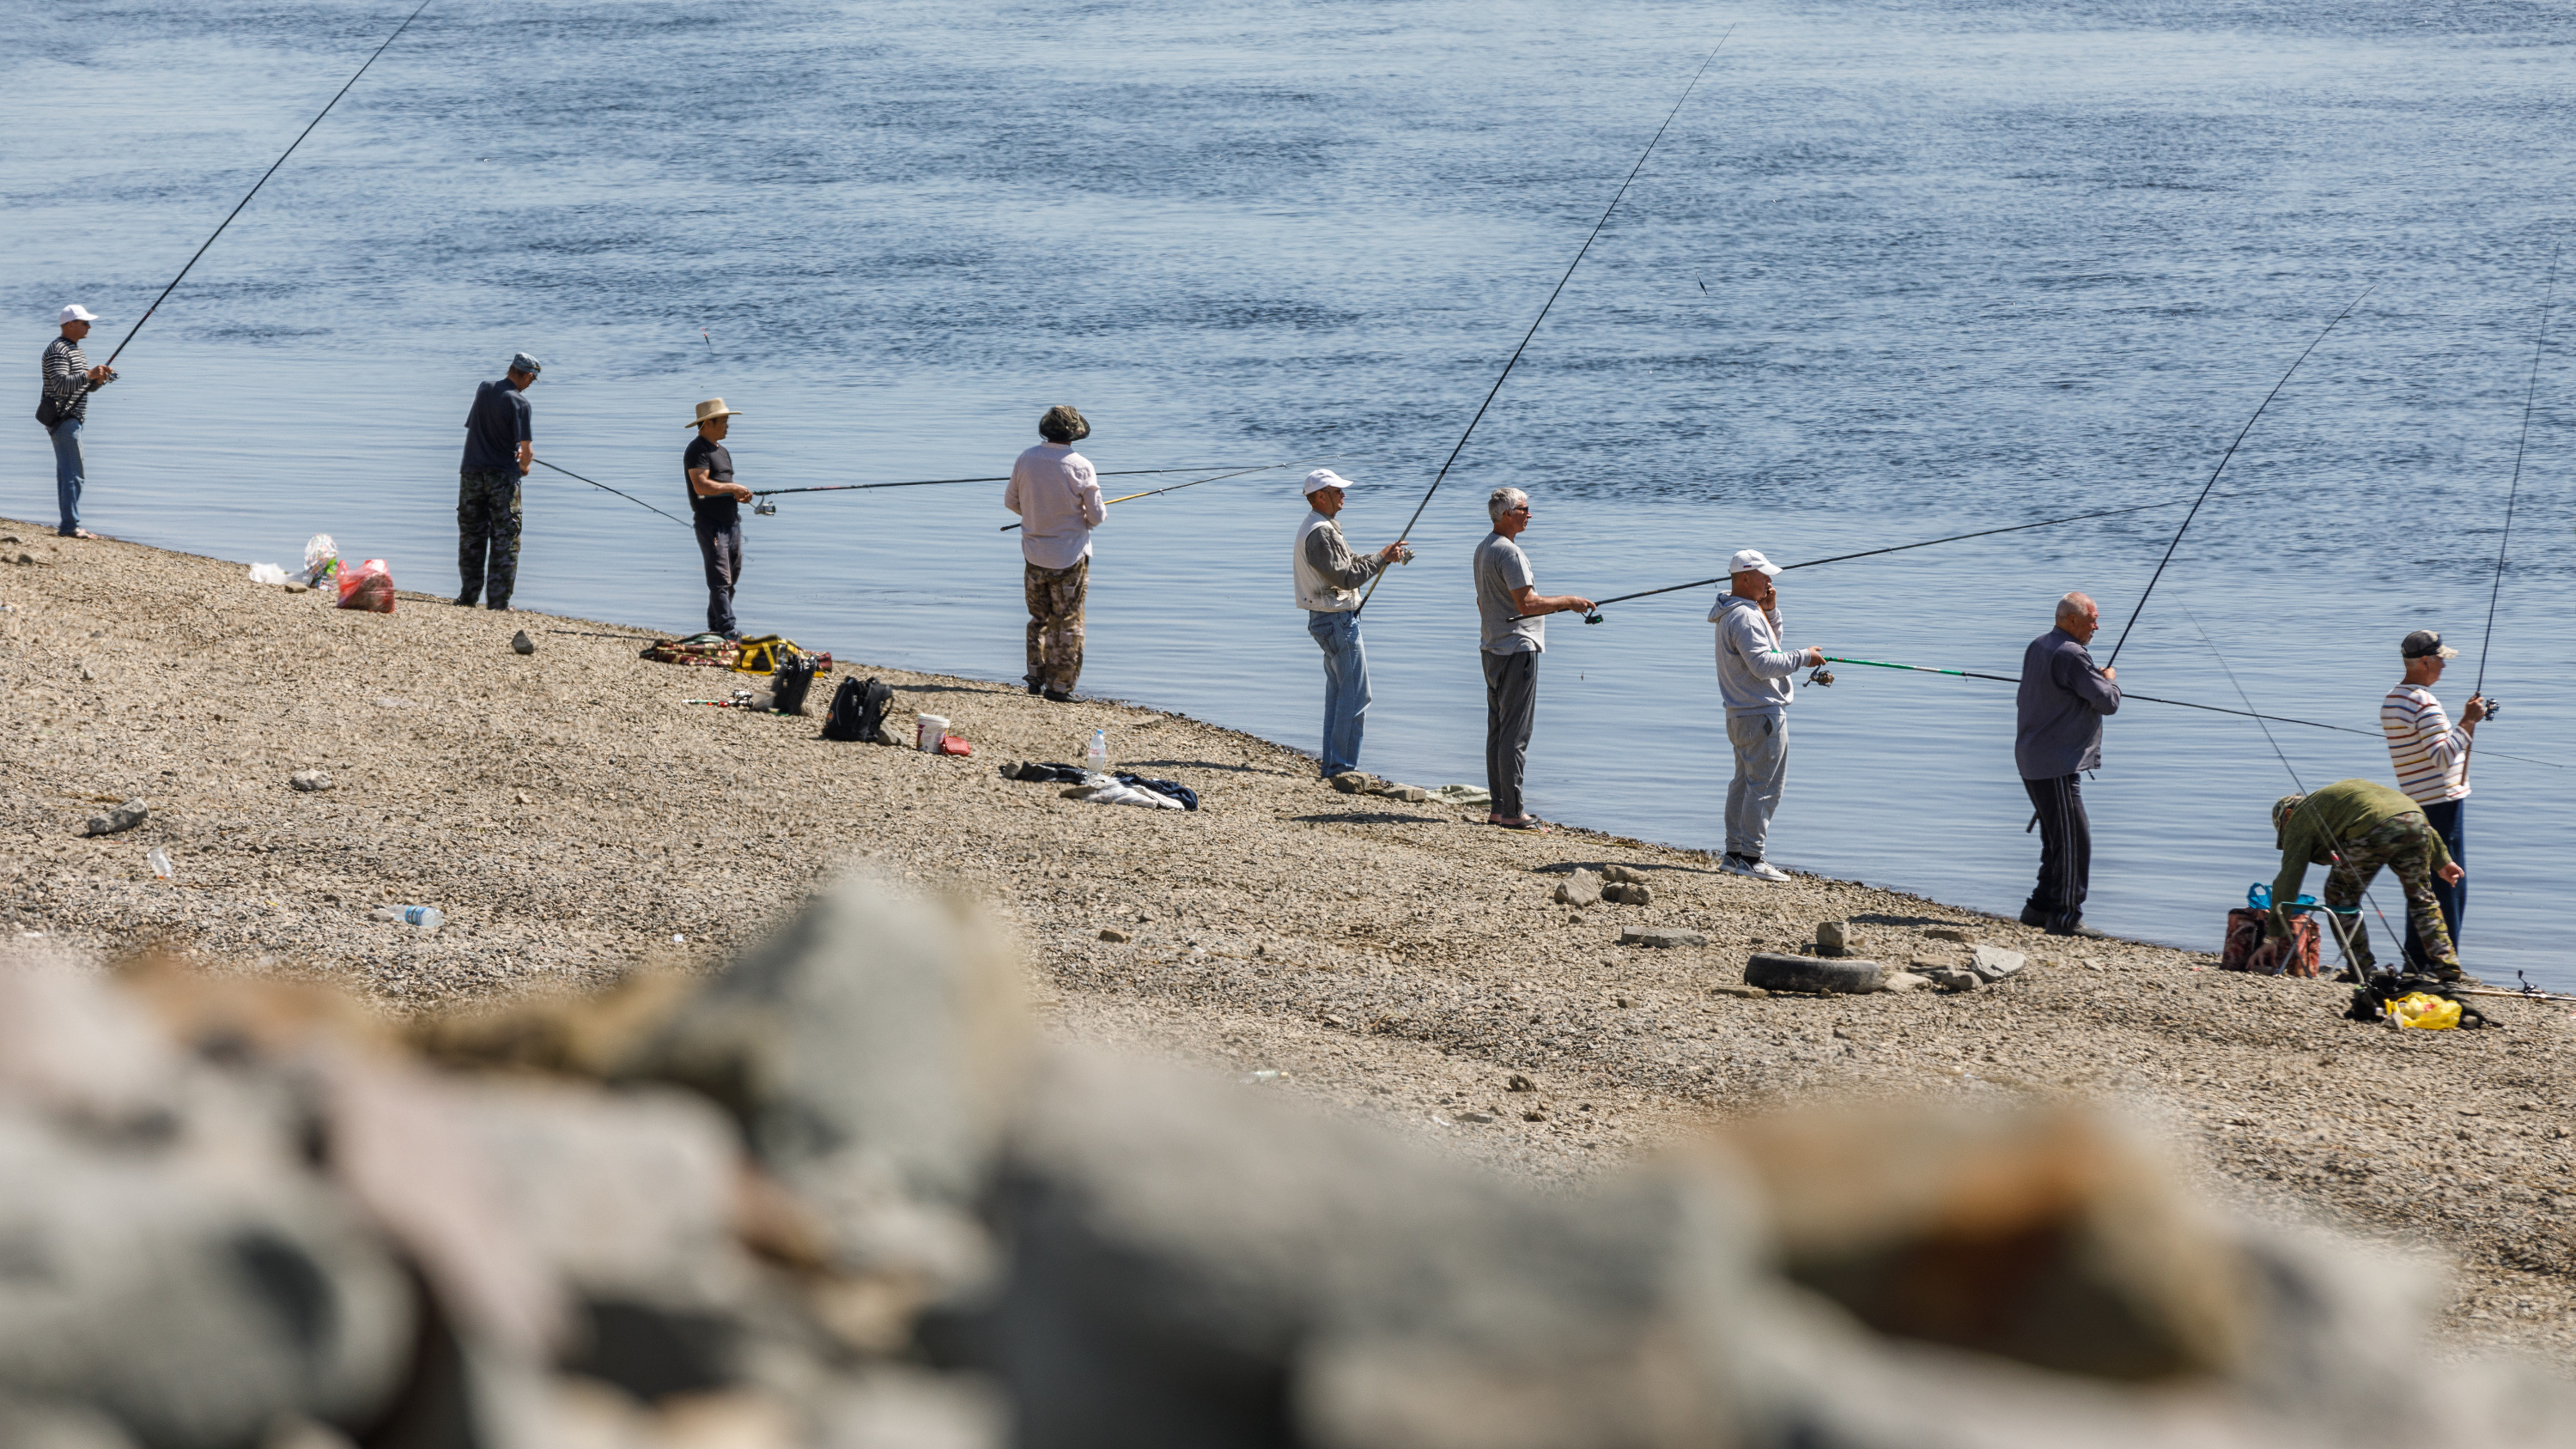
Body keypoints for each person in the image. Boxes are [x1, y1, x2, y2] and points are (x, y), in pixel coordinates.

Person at [1473, 487, 1591, 830]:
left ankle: (1499, 807)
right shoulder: (1509, 553)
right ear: (1507, 514)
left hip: (1492, 648)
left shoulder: (1484, 549)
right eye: (1524, 509)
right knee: (1515, 733)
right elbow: (1528, 604)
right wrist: (1570, 601)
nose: (1529, 514)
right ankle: (1512, 812)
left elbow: (1482, 602)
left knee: (1498, 730)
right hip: (1516, 650)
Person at [2267, 780, 2464, 980]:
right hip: (2417, 821)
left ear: (2288, 816)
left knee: (2339, 895)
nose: (2288, 838)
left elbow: (2289, 877)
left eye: (2284, 832)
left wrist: (2273, 935)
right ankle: (2448, 968)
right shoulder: (2338, 800)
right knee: (2422, 899)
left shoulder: (2299, 816)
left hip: (2374, 826)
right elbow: (2408, 816)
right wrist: (2443, 861)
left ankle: (2362, 969)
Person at [1709, 549, 1826, 881]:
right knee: (1764, 787)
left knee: (1743, 784)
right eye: (1764, 576)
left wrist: (1770, 613)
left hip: (1740, 713)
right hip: (1760, 713)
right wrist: (1805, 656)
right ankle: (1753, 858)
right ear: (1745, 578)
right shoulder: (1744, 616)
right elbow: (1763, 666)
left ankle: (1734, 855)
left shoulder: (1737, 611)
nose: (1770, 582)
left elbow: (1769, 649)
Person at [2015, 591, 2121, 936]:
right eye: (2093, 619)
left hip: (2032, 756)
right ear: (2071, 620)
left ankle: (2039, 906)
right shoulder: (2073, 654)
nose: (2097, 626)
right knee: (2075, 838)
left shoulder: (2039, 645)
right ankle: (2065, 916)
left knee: (2055, 835)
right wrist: (2109, 680)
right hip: (2055, 762)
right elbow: (2107, 702)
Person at [2381, 628, 2485, 972]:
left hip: (2414, 802)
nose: (2444, 666)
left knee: (2423, 884)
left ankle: (2417, 961)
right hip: (2442, 804)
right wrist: (2468, 722)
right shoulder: (2423, 701)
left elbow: (2429, 751)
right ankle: (2446, 964)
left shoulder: (2393, 698)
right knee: (2451, 883)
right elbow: (2442, 757)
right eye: (2440, 659)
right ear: (2424, 661)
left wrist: (2461, 726)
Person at [1293, 469, 1409, 779]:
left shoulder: (1322, 527)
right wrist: (1381, 560)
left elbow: (1348, 563)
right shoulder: (1319, 531)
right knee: (1357, 695)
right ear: (1321, 496)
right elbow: (1345, 577)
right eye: (1338, 491)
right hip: (1335, 622)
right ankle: (1342, 767)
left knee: (1340, 694)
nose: (1344, 495)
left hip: (1329, 621)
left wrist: (1383, 555)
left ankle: (1333, 765)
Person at [1003, 405, 1103, 701]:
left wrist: (1035, 516)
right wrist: (1083, 519)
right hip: (1070, 556)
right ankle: (1060, 687)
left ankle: (1035, 678)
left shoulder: (1026, 458)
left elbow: (1011, 501)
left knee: (1039, 618)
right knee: (1068, 620)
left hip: (1033, 553)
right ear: (1074, 435)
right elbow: (1096, 516)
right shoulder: (1081, 465)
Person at [456, 352, 540, 609]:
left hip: (471, 473)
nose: (530, 385)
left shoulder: (484, 389)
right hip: (502, 478)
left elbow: (480, 428)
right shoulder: (521, 404)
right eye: (532, 380)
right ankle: (498, 603)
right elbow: (527, 452)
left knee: (472, 535)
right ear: (527, 375)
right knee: (505, 538)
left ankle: (468, 597)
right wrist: (524, 466)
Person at [39, 305, 115, 540]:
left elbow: (81, 386)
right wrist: (89, 375)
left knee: (68, 473)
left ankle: (68, 524)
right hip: (64, 418)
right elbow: (61, 384)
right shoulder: (58, 350)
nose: (89, 326)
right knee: (74, 474)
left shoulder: (75, 350)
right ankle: (70, 526)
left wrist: (98, 380)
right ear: (70, 325)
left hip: (73, 418)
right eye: (85, 323)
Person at [683, 398, 754, 638]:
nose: (727, 426)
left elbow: (722, 487)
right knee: (720, 579)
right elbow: (701, 486)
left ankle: (715, 626)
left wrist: (738, 495)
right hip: (711, 525)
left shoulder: (722, 452)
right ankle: (728, 630)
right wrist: (733, 488)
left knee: (731, 577)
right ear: (707, 424)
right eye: (723, 422)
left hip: (731, 523)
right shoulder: (697, 450)